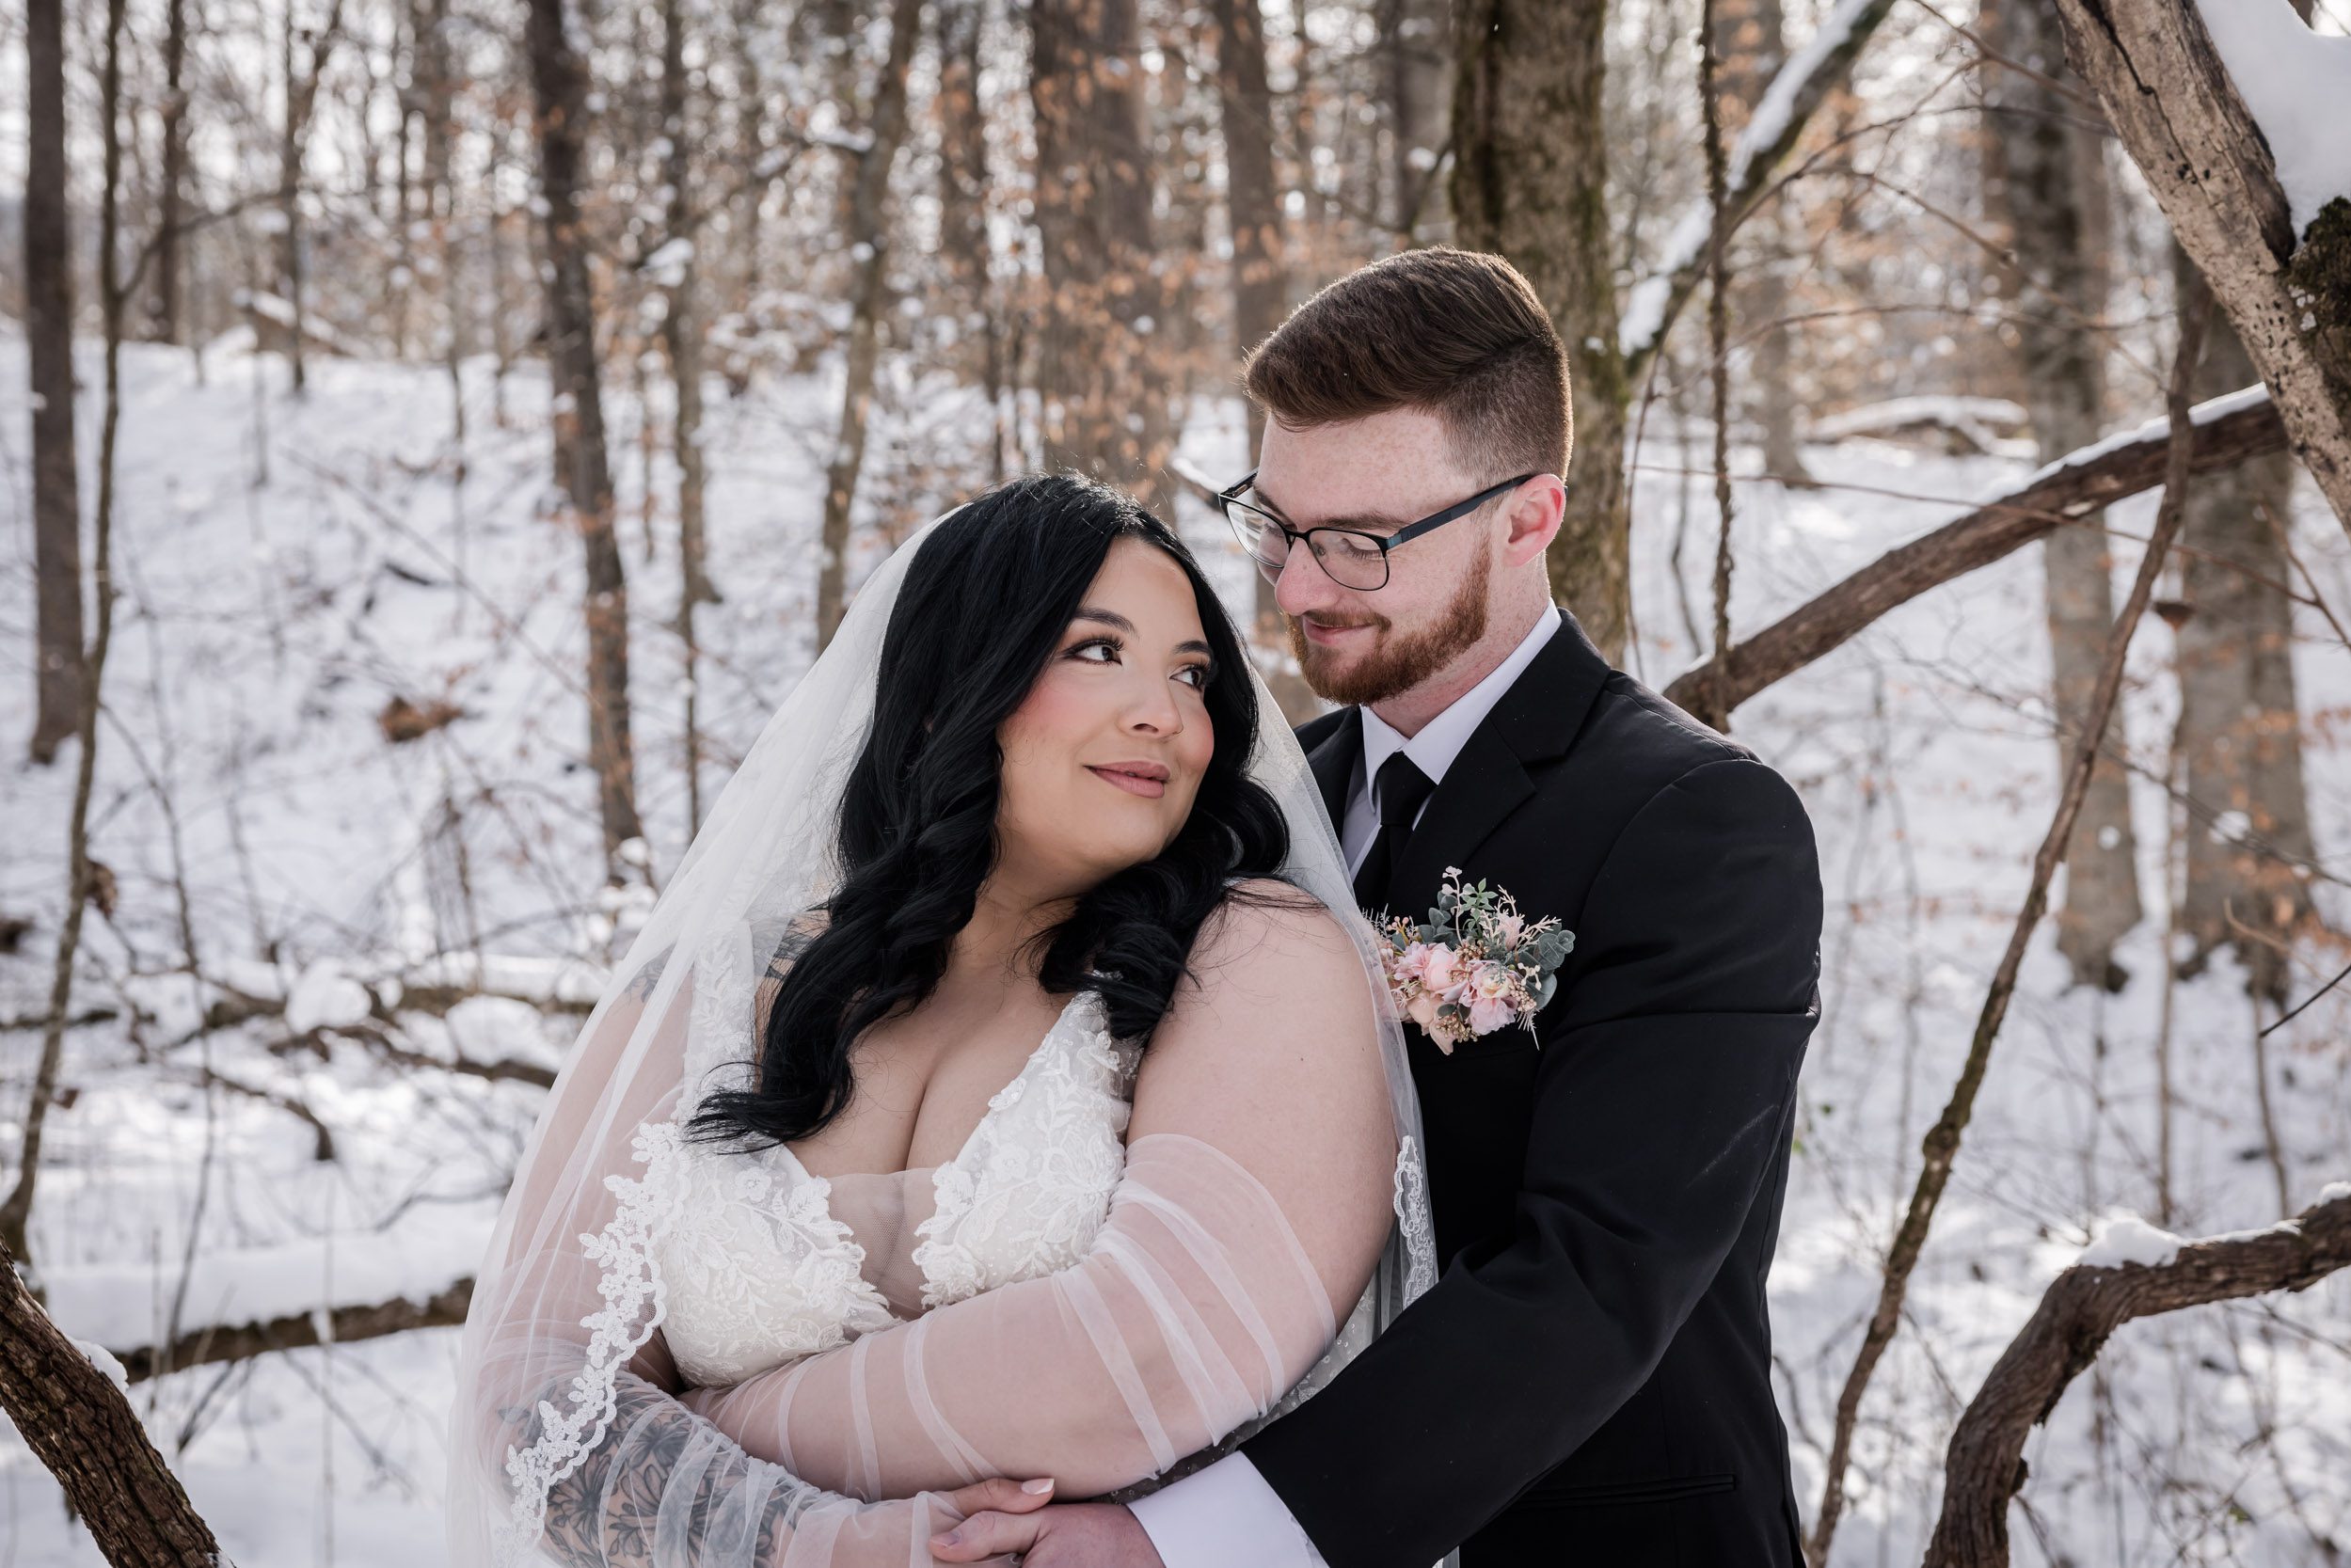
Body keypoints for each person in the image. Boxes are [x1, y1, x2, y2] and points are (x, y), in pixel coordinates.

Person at [936, 248, 1825, 1566]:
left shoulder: (1698, 823)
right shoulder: (1250, 802)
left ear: (1528, 517)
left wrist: (1186, 1542)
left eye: (1359, 543)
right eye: (1277, 527)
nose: (1295, 589)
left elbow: (1596, 1274)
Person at [444, 474, 1441, 1565]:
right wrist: (823, 1544)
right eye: (1095, 650)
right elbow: (531, 1391)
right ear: (947, 687)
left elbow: (1140, 1361)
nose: (1165, 711)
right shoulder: (704, 995)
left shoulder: (1256, 953)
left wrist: (710, 1423)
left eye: (1191, 672)